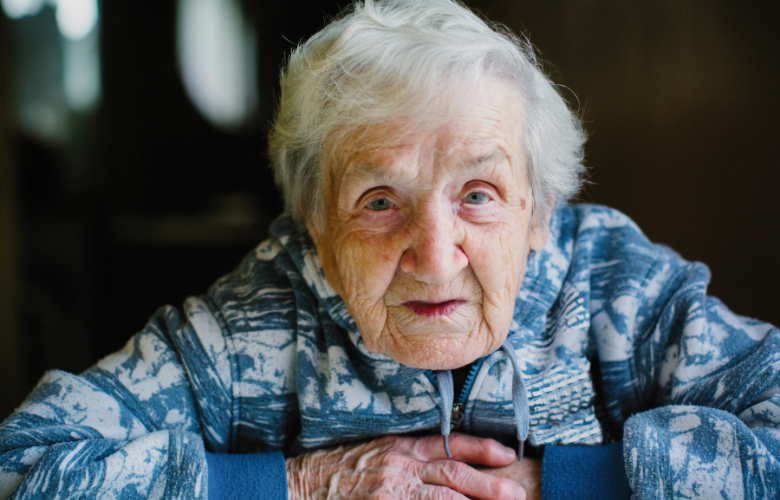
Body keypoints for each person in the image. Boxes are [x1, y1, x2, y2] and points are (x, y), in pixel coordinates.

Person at [1, 0, 779, 498]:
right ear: (314, 219)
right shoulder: (255, 322)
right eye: (380, 203)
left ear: (539, 211)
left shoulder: (618, 288)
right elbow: (25, 469)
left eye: (478, 194)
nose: (436, 257)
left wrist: (571, 485)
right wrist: (303, 484)